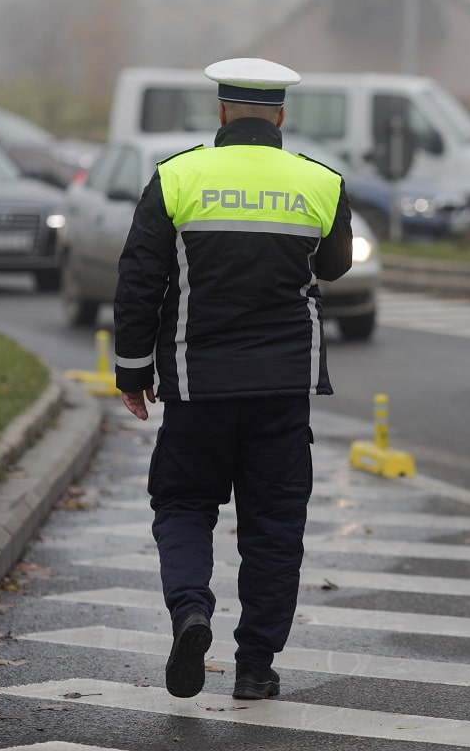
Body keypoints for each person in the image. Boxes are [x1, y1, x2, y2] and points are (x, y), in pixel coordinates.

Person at [112, 57, 353, 701]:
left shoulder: (176, 177)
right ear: (280, 115)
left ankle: (191, 610)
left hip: (196, 385)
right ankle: (255, 666)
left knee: (184, 503)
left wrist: (133, 371)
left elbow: (140, 279)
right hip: (282, 390)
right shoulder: (320, 182)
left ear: (220, 113)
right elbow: (334, 267)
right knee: (274, 525)